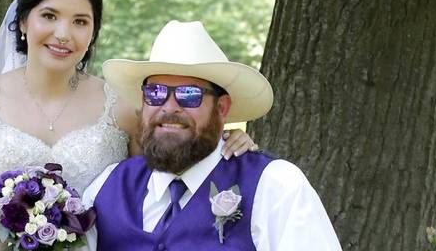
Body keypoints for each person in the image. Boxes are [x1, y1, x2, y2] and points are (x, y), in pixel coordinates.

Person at [0, 0, 256, 251]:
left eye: (80, 21)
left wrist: (223, 146)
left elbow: (170, 174)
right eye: (49, 16)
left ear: (93, 31)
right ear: (24, 21)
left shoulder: (125, 108)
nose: (63, 34)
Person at [83, 20, 344, 251]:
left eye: (189, 95)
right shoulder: (106, 188)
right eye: (156, 92)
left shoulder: (275, 186)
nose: (169, 106)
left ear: (222, 108)